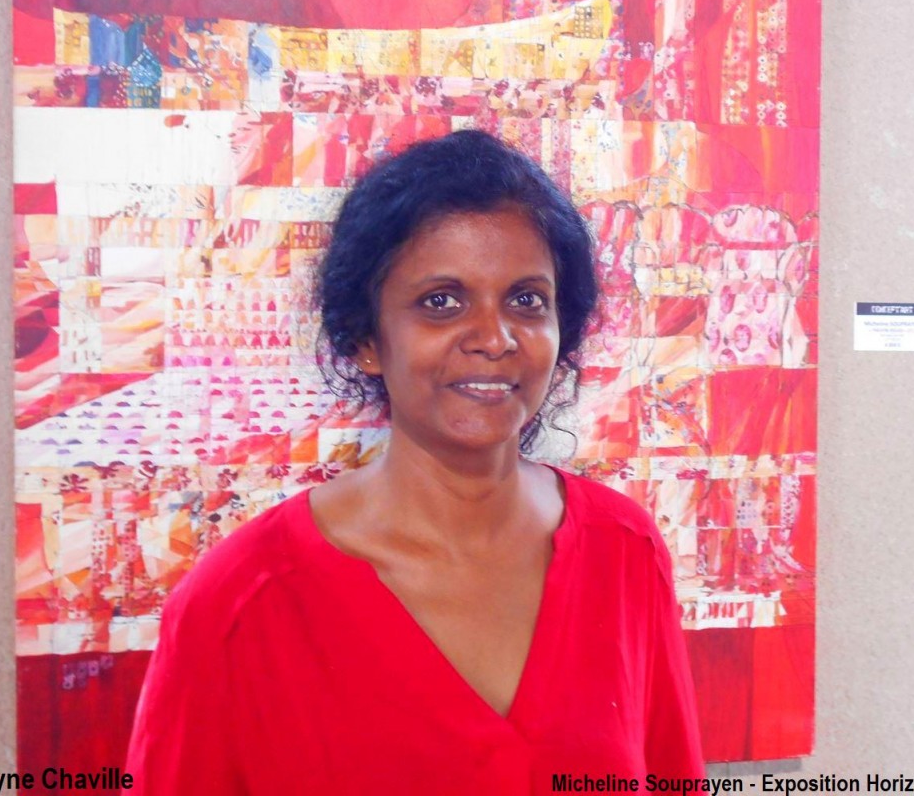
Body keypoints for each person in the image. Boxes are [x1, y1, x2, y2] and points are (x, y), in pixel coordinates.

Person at [125, 130, 705, 793]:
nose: (494, 338)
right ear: (366, 338)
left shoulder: (624, 552)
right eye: (441, 301)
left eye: (526, 299)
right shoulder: (239, 603)